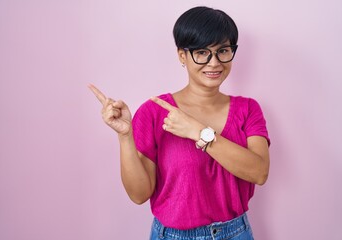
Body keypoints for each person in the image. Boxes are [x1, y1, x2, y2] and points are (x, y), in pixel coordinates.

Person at [89, 6, 270, 240]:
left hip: (236, 233)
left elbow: (259, 172)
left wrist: (199, 132)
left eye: (223, 51)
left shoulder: (248, 109)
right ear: (182, 55)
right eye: (202, 52)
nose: (214, 62)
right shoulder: (154, 112)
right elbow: (139, 194)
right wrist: (125, 136)